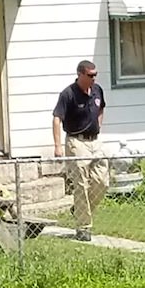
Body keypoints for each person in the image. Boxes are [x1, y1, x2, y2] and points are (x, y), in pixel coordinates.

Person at [51, 60, 109, 242]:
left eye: (95, 75)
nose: (94, 78)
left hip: (95, 141)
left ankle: (78, 209)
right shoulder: (68, 94)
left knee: (102, 182)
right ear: (81, 74)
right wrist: (58, 146)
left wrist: (98, 125)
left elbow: (100, 109)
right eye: (91, 75)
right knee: (81, 184)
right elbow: (57, 119)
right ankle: (83, 227)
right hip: (77, 142)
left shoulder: (98, 90)